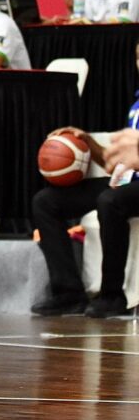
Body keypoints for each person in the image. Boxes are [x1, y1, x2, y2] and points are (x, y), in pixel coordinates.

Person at [31, 42, 139, 318]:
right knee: (46, 201)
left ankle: (112, 295)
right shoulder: (137, 104)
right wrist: (88, 141)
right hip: (128, 181)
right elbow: (115, 163)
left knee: (110, 201)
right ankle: (68, 292)